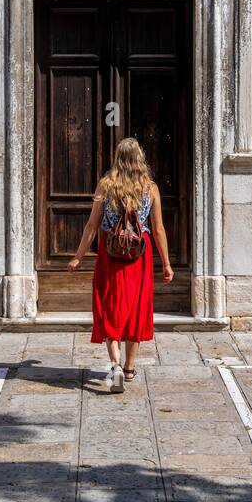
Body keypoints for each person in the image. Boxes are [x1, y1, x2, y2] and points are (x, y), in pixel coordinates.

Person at [68, 138, 173, 393]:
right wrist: (167, 264)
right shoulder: (151, 188)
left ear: (117, 159)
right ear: (140, 159)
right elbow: (158, 229)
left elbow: (92, 226)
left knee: (110, 305)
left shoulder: (106, 185)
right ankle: (129, 368)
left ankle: (114, 364)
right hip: (139, 255)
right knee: (137, 309)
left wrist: (78, 256)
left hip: (111, 253)